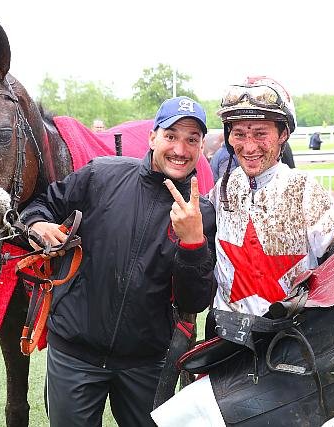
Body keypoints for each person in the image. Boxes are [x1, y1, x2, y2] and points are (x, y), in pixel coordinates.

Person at [152, 77, 334, 426]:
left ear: (283, 134)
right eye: (239, 133)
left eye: (260, 133)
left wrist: (313, 322)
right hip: (226, 350)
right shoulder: (220, 192)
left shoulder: (304, 192)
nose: (249, 145)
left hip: (290, 357)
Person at [20, 96, 217, 427]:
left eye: (191, 140)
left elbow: (193, 302)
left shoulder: (202, 213)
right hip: (74, 353)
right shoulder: (102, 174)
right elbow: (41, 204)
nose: (180, 149)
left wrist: (193, 243)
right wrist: (37, 224)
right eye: (171, 136)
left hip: (147, 362)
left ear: (200, 147)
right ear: (152, 137)